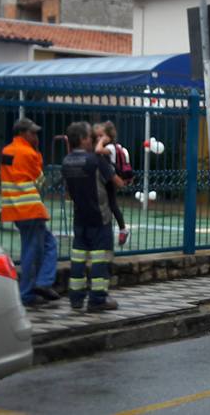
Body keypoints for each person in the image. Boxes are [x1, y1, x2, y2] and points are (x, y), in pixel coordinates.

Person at [62, 121, 125, 312]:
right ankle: (98, 300)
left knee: (78, 261)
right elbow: (119, 183)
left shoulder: (66, 162)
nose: (92, 140)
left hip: (79, 218)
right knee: (100, 260)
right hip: (100, 218)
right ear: (82, 139)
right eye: (90, 137)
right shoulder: (95, 161)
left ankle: (76, 298)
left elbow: (67, 193)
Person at [0, 118, 60, 308]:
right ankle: (36, 288)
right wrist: (39, 156)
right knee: (41, 248)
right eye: (33, 133)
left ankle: (36, 287)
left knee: (38, 247)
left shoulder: (6, 151)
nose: (35, 136)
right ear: (23, 133)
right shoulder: (29, 153)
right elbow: (40, 181)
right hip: (31, 208)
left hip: (14, 208)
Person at [93, 122, 131, 246]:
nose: (99, 138)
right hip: (107, 178)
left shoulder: (110, 147)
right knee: (109, 204)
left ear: (109, 136)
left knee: (112, 205)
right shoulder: (113, 146)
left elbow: (98, 150)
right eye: (97, 136)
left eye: (102, 136)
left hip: (110, 179)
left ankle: (123, 229)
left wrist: (101, 141)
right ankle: (120, 229)